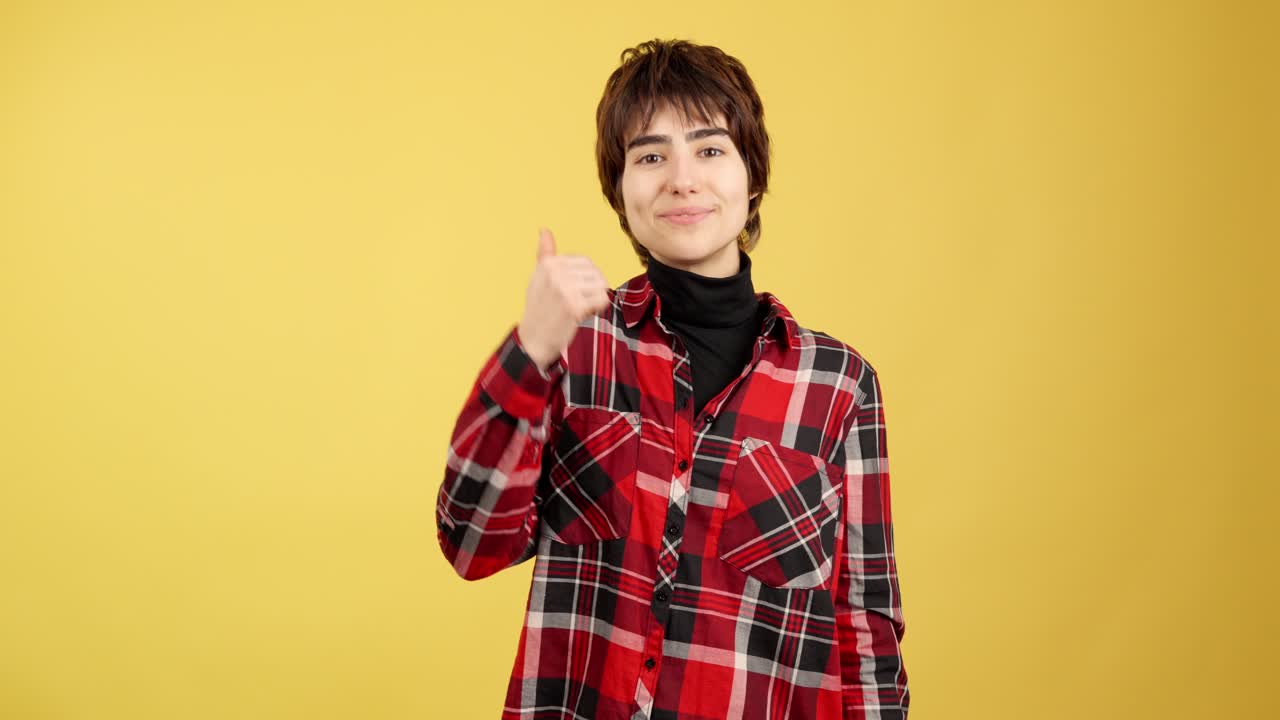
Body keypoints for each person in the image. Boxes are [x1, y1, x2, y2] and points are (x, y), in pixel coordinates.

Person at [436, 38, 909, 719]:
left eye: (710, 150)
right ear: (619, 191)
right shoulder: (574, 347)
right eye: (651, 155)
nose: (682, 179)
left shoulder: (838, 386)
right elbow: (471, 543)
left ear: (753, 179)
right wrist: (530, 350)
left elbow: (863, 626)